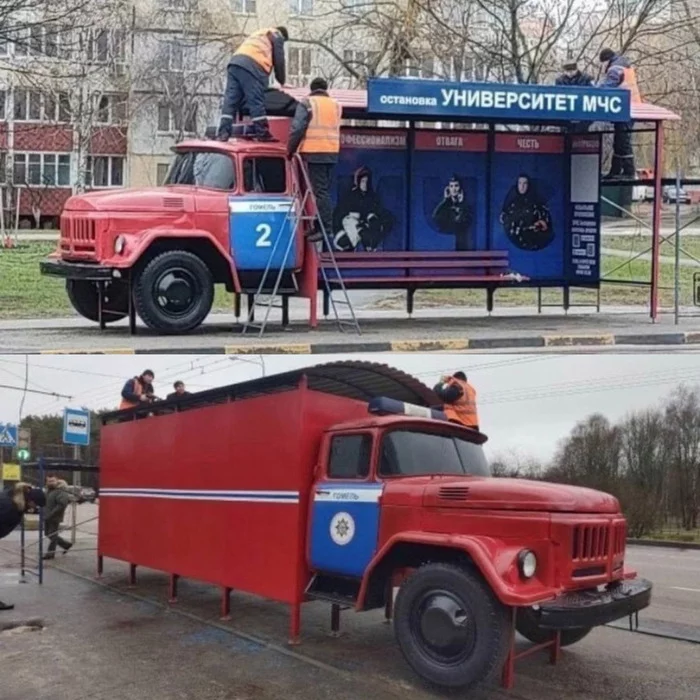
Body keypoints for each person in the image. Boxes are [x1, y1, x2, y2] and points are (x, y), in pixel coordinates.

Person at [287, 77, 342, 244]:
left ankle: (326, 229)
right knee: (323, 191)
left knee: (320, 192)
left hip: (314, 151)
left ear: (312, 89)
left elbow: (298, 128)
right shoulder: (336, 105)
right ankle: (320, 225)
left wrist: (290, 150)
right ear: (325, 89)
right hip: (331, 152)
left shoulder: (308, 103)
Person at [217, 26, 289, 142]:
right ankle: (262, 133)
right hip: (252, 65)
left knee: (230, 101)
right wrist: (282, 81)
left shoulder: (260, 33)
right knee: (255, 99)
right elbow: (279, 59)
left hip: (235, 63)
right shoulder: (277, 35)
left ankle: (223, 133)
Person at [0, 483, 46, 610]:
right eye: (35, 504)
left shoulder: (14, 500)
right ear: (30, 500)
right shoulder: (9, 506)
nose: (34, 508)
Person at [599, 48, 641, 179]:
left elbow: (608, 87)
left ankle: (628, 171)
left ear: (606, 60)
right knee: (620, 140)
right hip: (629, 107)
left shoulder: (615, 68)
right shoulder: (623, 63)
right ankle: (616, 170)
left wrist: (595, 88)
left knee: (623, 141)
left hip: (626, 108)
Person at [332, 166, 394, 252]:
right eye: (363, 181)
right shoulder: (350, 197)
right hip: (350, 228)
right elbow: (340, 214)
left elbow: (378, 213)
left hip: (367, 229)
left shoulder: (373, 197)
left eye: (367, 182)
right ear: (358, 181)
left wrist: (371, 219)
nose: (364, 184)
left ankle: (370, 246)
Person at [499, 174, 554, 251]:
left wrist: (539, 225)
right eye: (520, 183)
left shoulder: (537, 203)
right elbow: (504, 220)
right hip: (516, 240)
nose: (522, 186)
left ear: (529, 185)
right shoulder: (511, 203)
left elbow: (546, 225)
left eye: (525, 183)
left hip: (534, 240)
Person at [431, 175, 474, 251]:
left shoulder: (466, 206)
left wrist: (461, 204)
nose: (454, 189)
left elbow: (462, 222)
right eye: (451, 186)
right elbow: (436, 217)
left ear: (460, 188)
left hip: (462, 244)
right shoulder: (445, 205)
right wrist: (445, 200)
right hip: (446, 243)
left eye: (456, 186)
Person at [43, 475, 78, 561]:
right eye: (49, 481)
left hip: (54, 517)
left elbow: (61, 504)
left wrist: (51, 514)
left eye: (53, 481)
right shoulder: (48, 491)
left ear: (57, 481)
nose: (51, 483)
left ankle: (50, 554)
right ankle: (66, 545)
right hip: (47, 516)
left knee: (52, 534)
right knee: (47, 534)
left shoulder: (60, 491)